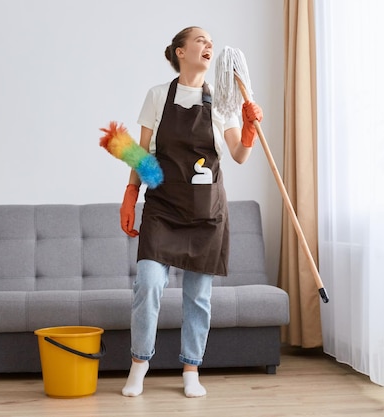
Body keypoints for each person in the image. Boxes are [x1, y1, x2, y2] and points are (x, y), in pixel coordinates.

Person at [120, 26, 263, 398]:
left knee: (198, 297)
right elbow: (140, 152)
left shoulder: (223, 102)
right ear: (180, 51)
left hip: (206, 214)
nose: (208, 45)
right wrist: (130, 193)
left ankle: (191, 370)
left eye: (210, 42)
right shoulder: (157, 96)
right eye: (200, 39)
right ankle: (139, 364)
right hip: (163, 208)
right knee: (148, 284)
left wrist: (248, 129)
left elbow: (240, 154)